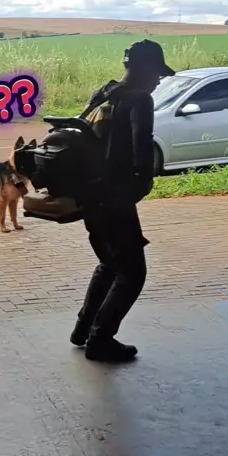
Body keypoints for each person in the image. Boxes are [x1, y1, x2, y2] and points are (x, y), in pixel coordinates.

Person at [70, 40, 175, 363]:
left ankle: (83, 328)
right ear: (145, 68)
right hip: (114, 197)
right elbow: (141, 148)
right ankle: (100, 340)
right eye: (157, 73)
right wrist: (140, 185)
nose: (158, 80)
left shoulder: (104, 93)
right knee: (132, 273)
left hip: (88, 194)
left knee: (109, 264)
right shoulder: (139, 99)